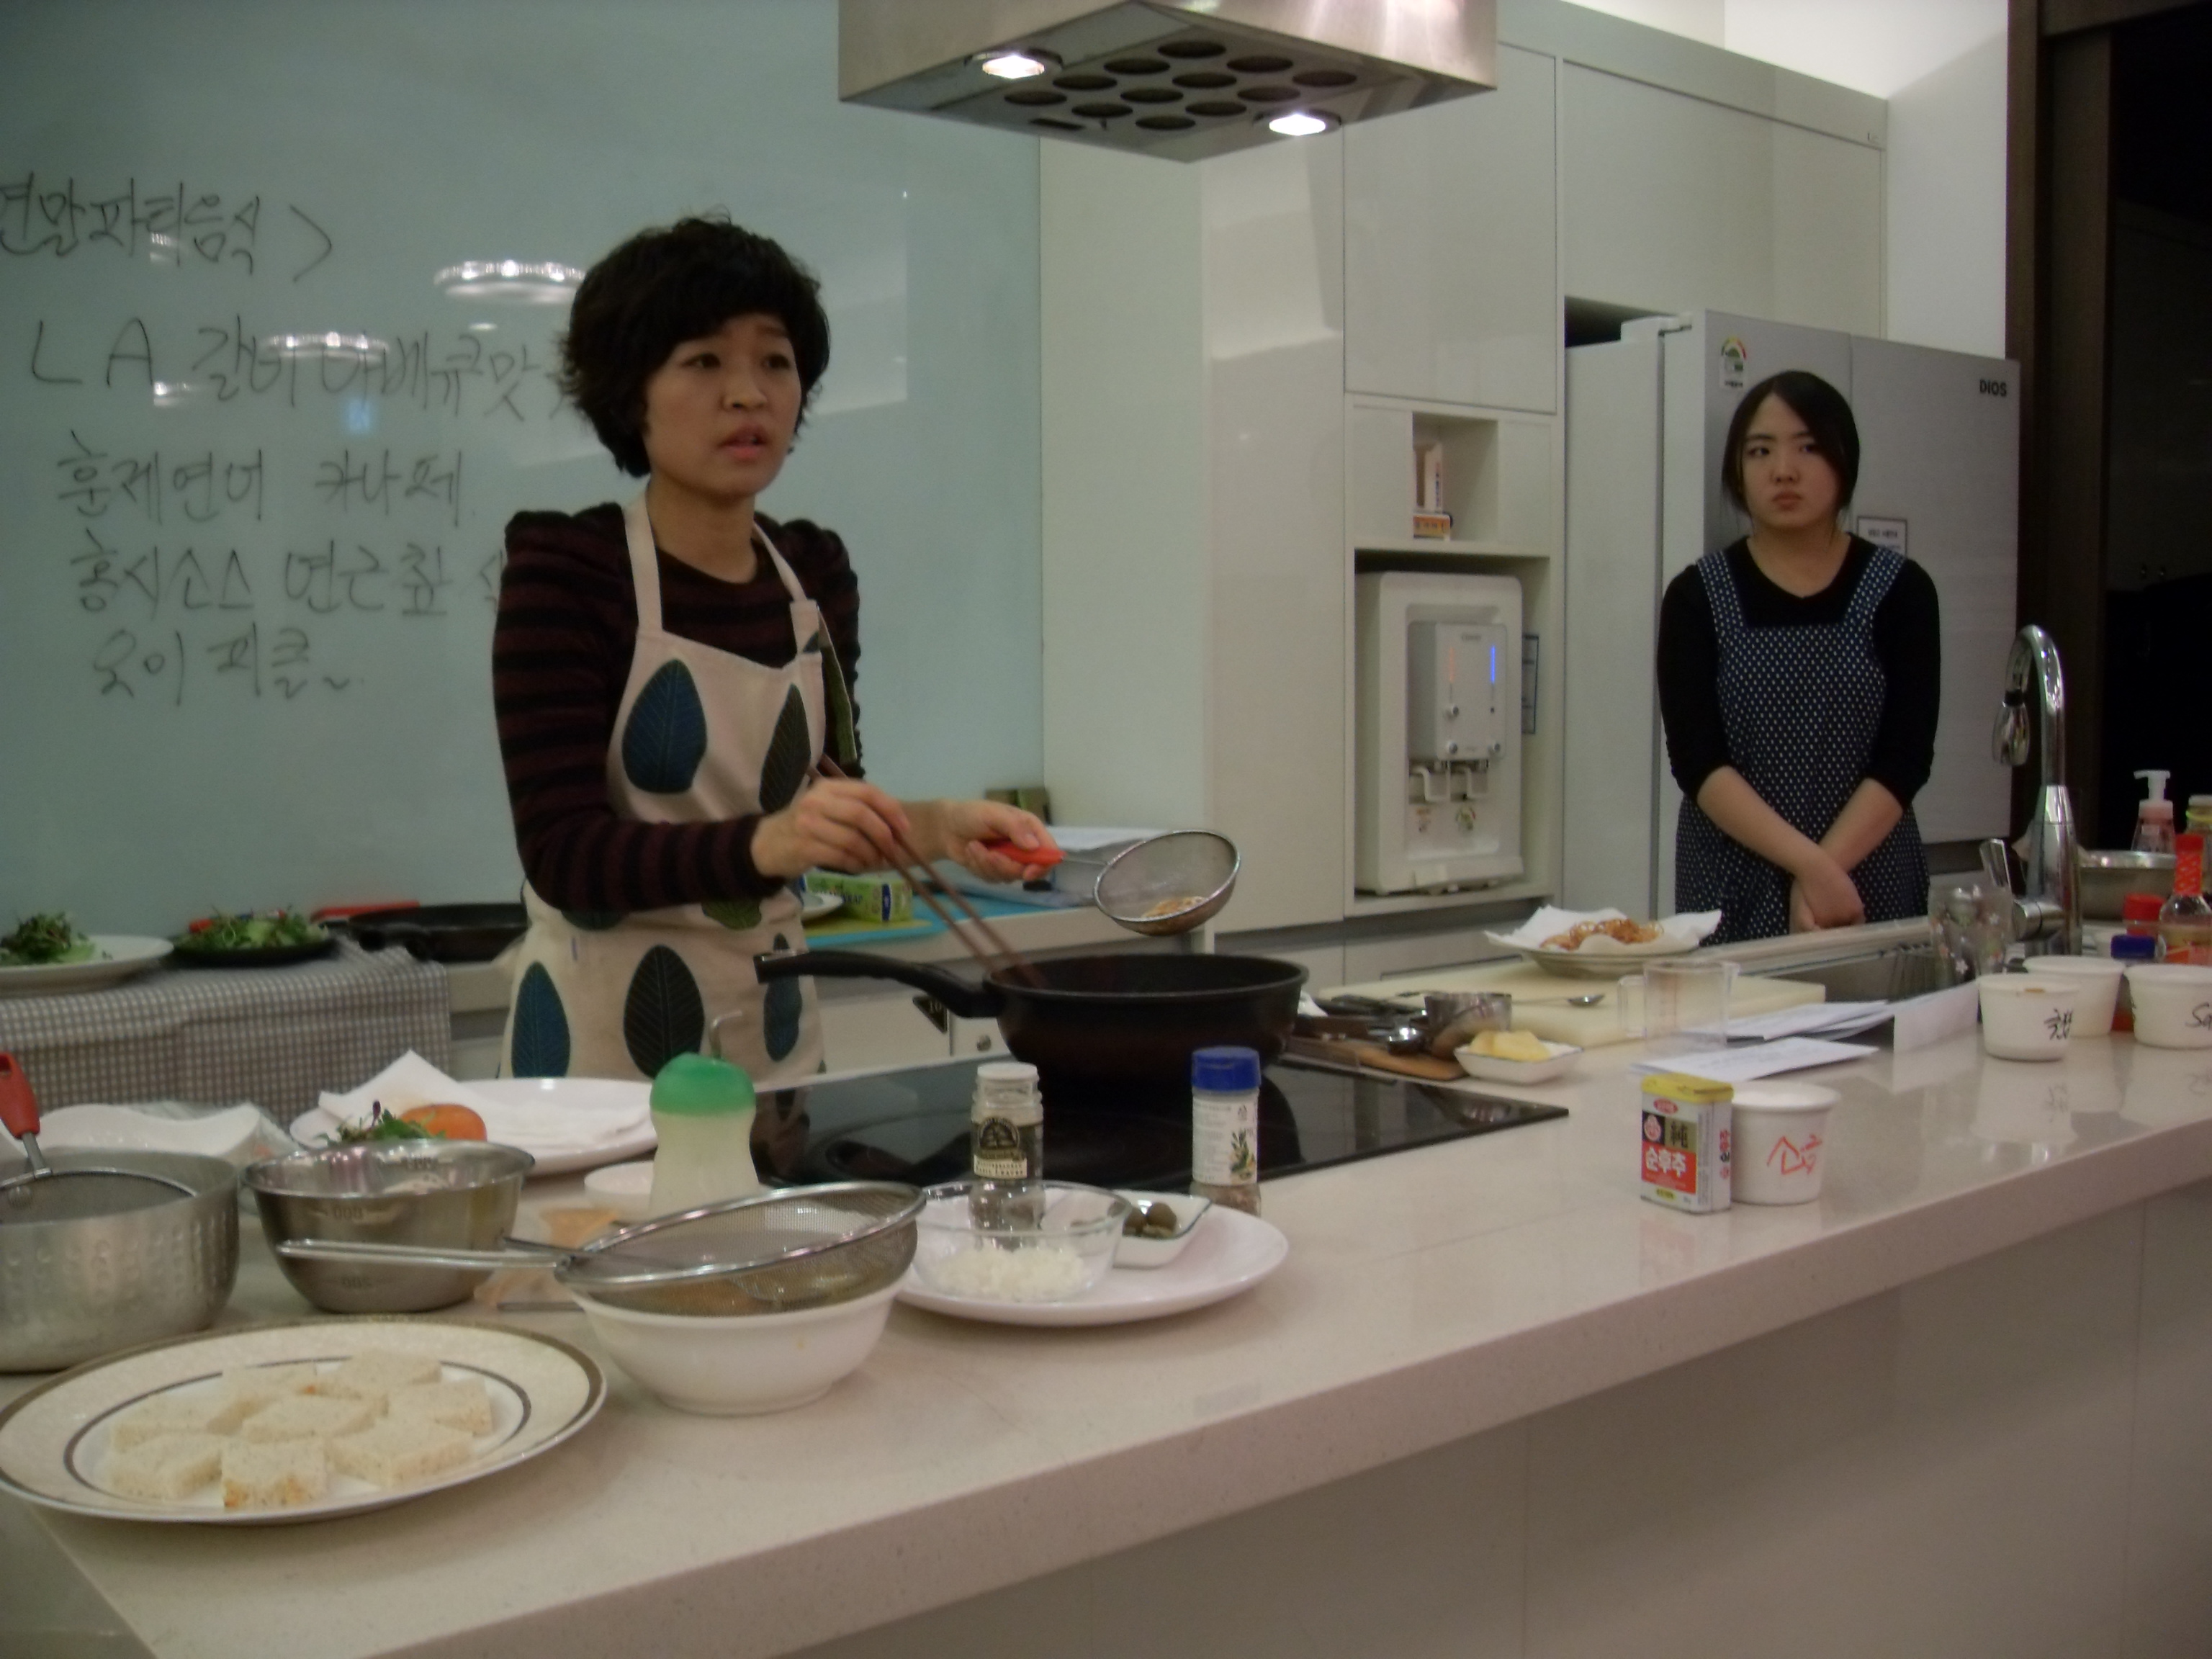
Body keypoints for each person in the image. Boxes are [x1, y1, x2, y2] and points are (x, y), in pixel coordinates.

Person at [492, 215, 1056, 1083]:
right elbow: (564, 855)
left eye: (775, 361)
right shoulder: (569, 572)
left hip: (774, 1032)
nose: (748, 394)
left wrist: (938, 827)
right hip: (601, 1064)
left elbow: (823, 800)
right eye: (704, 361)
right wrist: (768, 845)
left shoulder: (813, 575)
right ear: (631, 394)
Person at [1656, 369, 1940, 943]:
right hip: (1732, 882)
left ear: (1844, 460)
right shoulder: (1695, 597)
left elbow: (1904, 758)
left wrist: (1826, 875)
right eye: (1760, 451)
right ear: (1737, 471)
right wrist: (1811, 867)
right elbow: (1699, 763)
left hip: (1864, 882)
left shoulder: (1901, 590)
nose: (1783, 470)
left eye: (1808, 447)